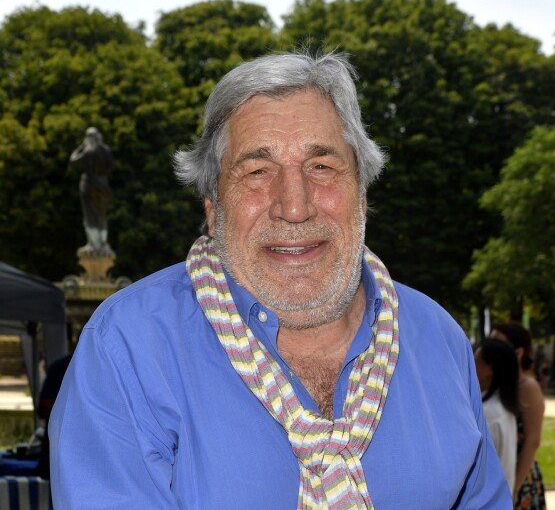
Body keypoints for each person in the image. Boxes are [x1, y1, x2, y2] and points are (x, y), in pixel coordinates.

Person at [50, 52, 511, 508]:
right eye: (257, 171)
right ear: (212, 210)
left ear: (362, 196)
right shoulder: (127, 349)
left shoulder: (440, 342)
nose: (294, 206)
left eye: (322, 166)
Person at [492, 322, 546, 509]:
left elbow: (533, 440)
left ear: (518, 352)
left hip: (518, 474)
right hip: (499, 468)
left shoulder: (528, 387)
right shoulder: (494, 383)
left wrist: (515, 486)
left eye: (498, 343)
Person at [475, 338, 519, 495]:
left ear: (490, 369)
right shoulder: (504, 409)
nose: (470, 366)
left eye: (476, 361)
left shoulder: (487, 413)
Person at [69, 126, 114, 254]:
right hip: (104, 187)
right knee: (102, 216)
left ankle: (93, 244)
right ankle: (103, 243)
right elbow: (110, 168)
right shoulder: (106, 150)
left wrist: (81, 146)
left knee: (90, 216)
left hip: (88, 186)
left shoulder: (88, 150)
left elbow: (72, 160)